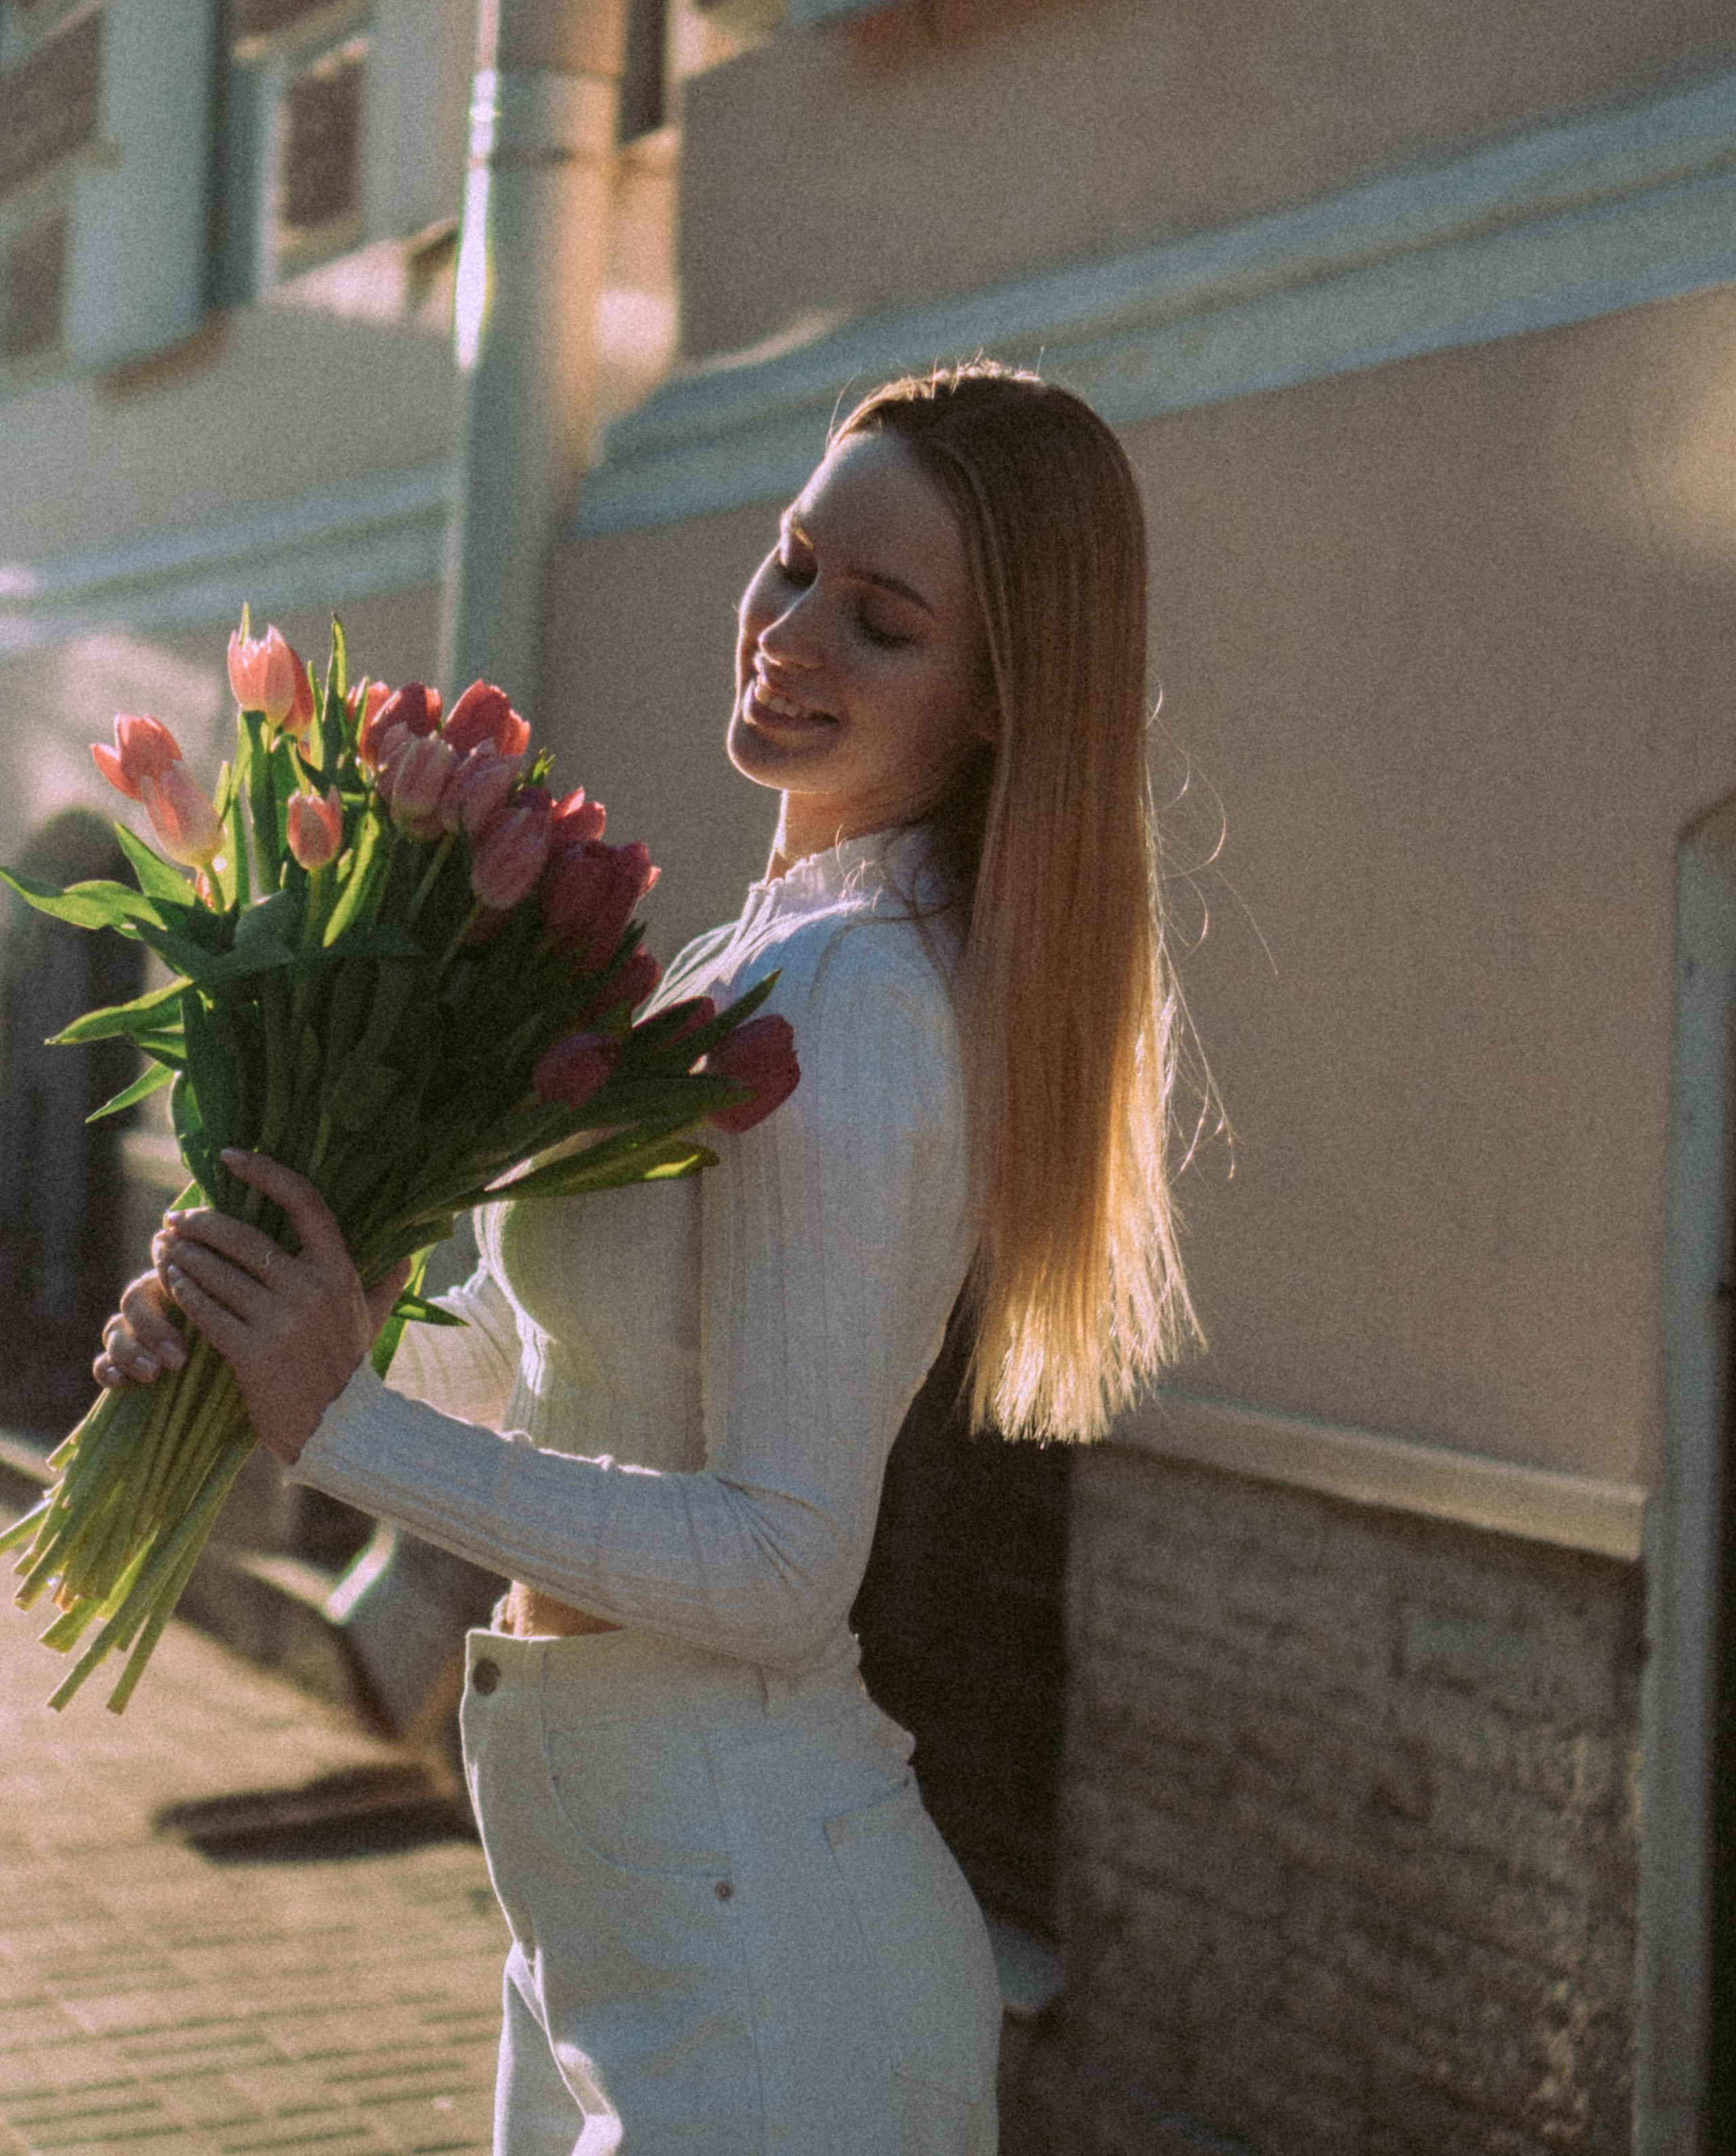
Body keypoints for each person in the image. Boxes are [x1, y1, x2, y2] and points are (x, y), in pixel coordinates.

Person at [96, 364, 1197, 2156]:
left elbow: (782, 1562)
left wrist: (342, 1427)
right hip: (608, 1917)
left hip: (763, 1970)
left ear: (1001, 699)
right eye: (794, 563)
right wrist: (281, 1327)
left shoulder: (856, 1001)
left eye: (883, 620)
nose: (791, 632)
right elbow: (553, 1371)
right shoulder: (750, 958)